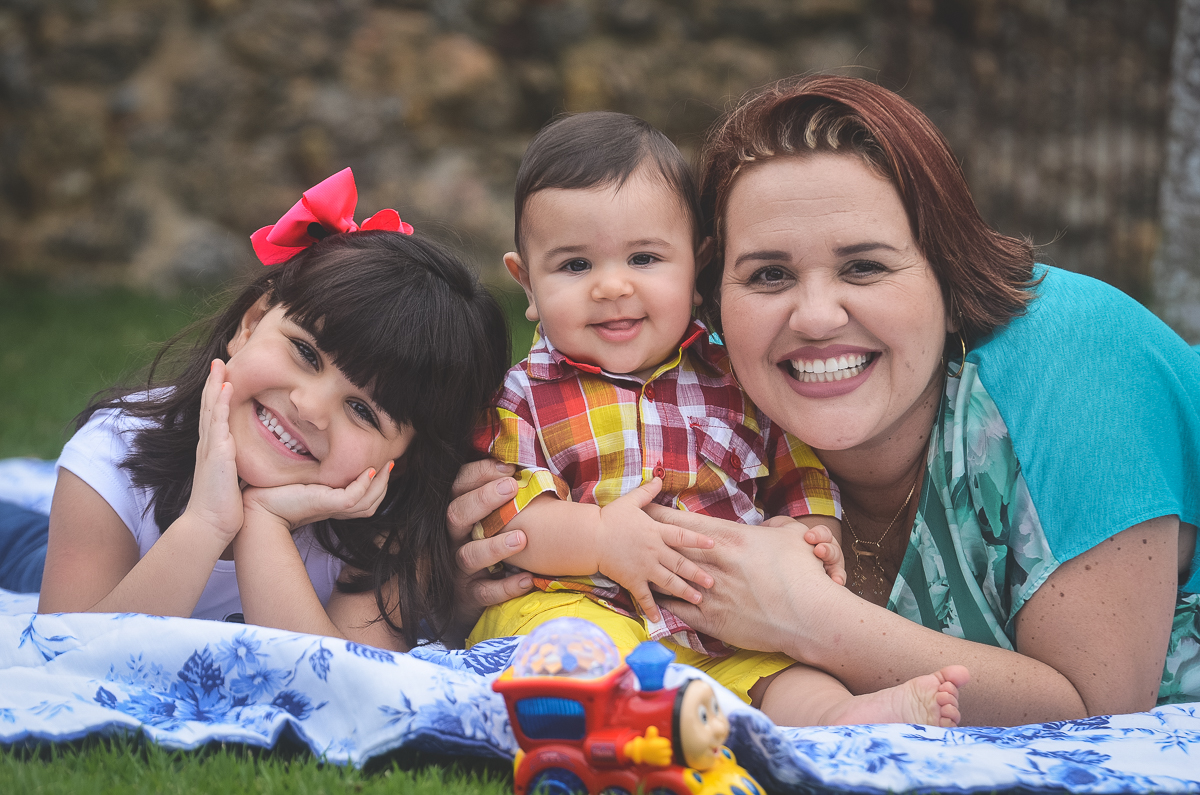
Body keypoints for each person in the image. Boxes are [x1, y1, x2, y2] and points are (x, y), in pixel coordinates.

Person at [610, 74, 1200, 726]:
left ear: (949, 276)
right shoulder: (696, 395)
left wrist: (805, 615)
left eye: (864, 266)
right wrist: (535, 540)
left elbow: (1099, 714)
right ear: (714, 297)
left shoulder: (1080, 357)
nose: (815, 316)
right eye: (769, 274)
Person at [467, 110, 969, 727]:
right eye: (575, 266)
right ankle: (626, 724)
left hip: (722, 626)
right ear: (526, 283)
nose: (612, 287)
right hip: (584, 603)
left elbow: (798, 471)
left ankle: (847, 717)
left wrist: (811, 536)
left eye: (644, 258)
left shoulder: (736, 382)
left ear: (697, 267)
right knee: (569, 652)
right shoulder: (522, 394)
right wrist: (601, 540)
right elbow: (507, 514)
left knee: (790, 678)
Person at [33, 168, 511, 652]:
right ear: (252, 322)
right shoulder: (117, 450)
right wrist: (207, 523)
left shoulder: (393, 527)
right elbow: (67, 658)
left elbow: (340, 682)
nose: (309, 407)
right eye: (305, 353)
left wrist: (263, 521)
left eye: (363, 411)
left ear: (402, 460)